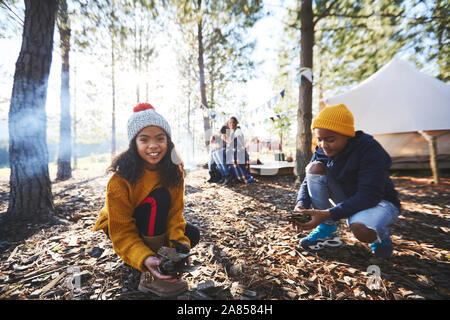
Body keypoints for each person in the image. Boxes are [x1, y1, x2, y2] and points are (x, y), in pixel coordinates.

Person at [93, 102, 200, 297]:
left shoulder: (173, 172)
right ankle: (149, 274)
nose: (153, 145)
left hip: (154, 220)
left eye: (160, 138)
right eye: (144, 139)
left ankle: (160, 263)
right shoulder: (120, 180)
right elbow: (122, 229)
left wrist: (178, 249)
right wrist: (145, 256)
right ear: (134, 143)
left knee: (191, 235)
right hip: (119, 227)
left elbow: (175, 215)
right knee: (157, 199)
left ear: (168, 142)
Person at [291, 104, 400, 259]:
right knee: (314, 168)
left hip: (380, 202)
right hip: (349, 198)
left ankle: (380, 237)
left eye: (330, 139)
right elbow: (309, 180)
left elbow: (370, 195)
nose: (324, 145)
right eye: (320, 139)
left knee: (360, 229)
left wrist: (326, 214)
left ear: (347, 135)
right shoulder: (322, 150)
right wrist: (301, 203)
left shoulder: (369, 149)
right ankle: (327, 229)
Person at [225, 117, 254, 184]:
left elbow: (234, 142)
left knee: (232, 158)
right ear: (228, 124)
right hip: (234, 149)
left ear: (236, 123)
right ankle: (227, 176)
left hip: (240, 150)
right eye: (230, 123)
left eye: (233, 122)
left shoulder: (238, 131)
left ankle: (242, 177)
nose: (231, 124)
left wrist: (225, 139)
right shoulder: (231, 132)